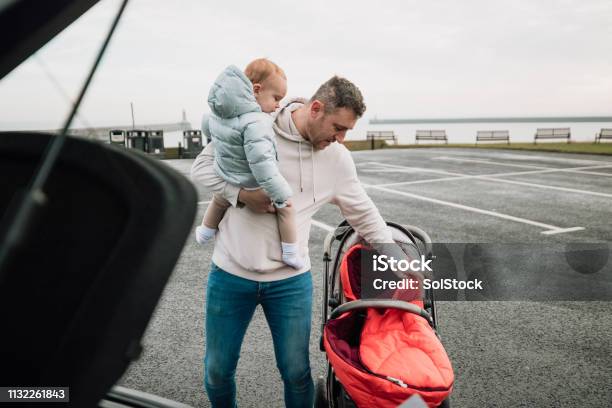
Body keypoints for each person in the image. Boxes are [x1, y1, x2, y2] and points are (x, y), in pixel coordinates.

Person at [191, 75, 414, 408]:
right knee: (217, 371)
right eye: (338, 128)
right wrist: (241, 195)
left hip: (289, 283)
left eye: (347, 132)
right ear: (315, 108)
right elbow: (201, 168)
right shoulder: (255, 127)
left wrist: (401, 262)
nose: (340, 139)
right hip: (230, 274)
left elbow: (365, 215)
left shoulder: (336, 159)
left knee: (296, 372)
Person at [195, 58, 304, 269]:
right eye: (276, 98)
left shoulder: (218, 114)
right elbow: (263, 166)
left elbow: (207, 128)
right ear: (256, 90)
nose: (278, 105)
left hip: (225, 172)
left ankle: (205, 230)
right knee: (286, 209)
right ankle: (290, 252)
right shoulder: (256, 123)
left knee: (220, 199)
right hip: (249, 179)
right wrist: (281, 193)